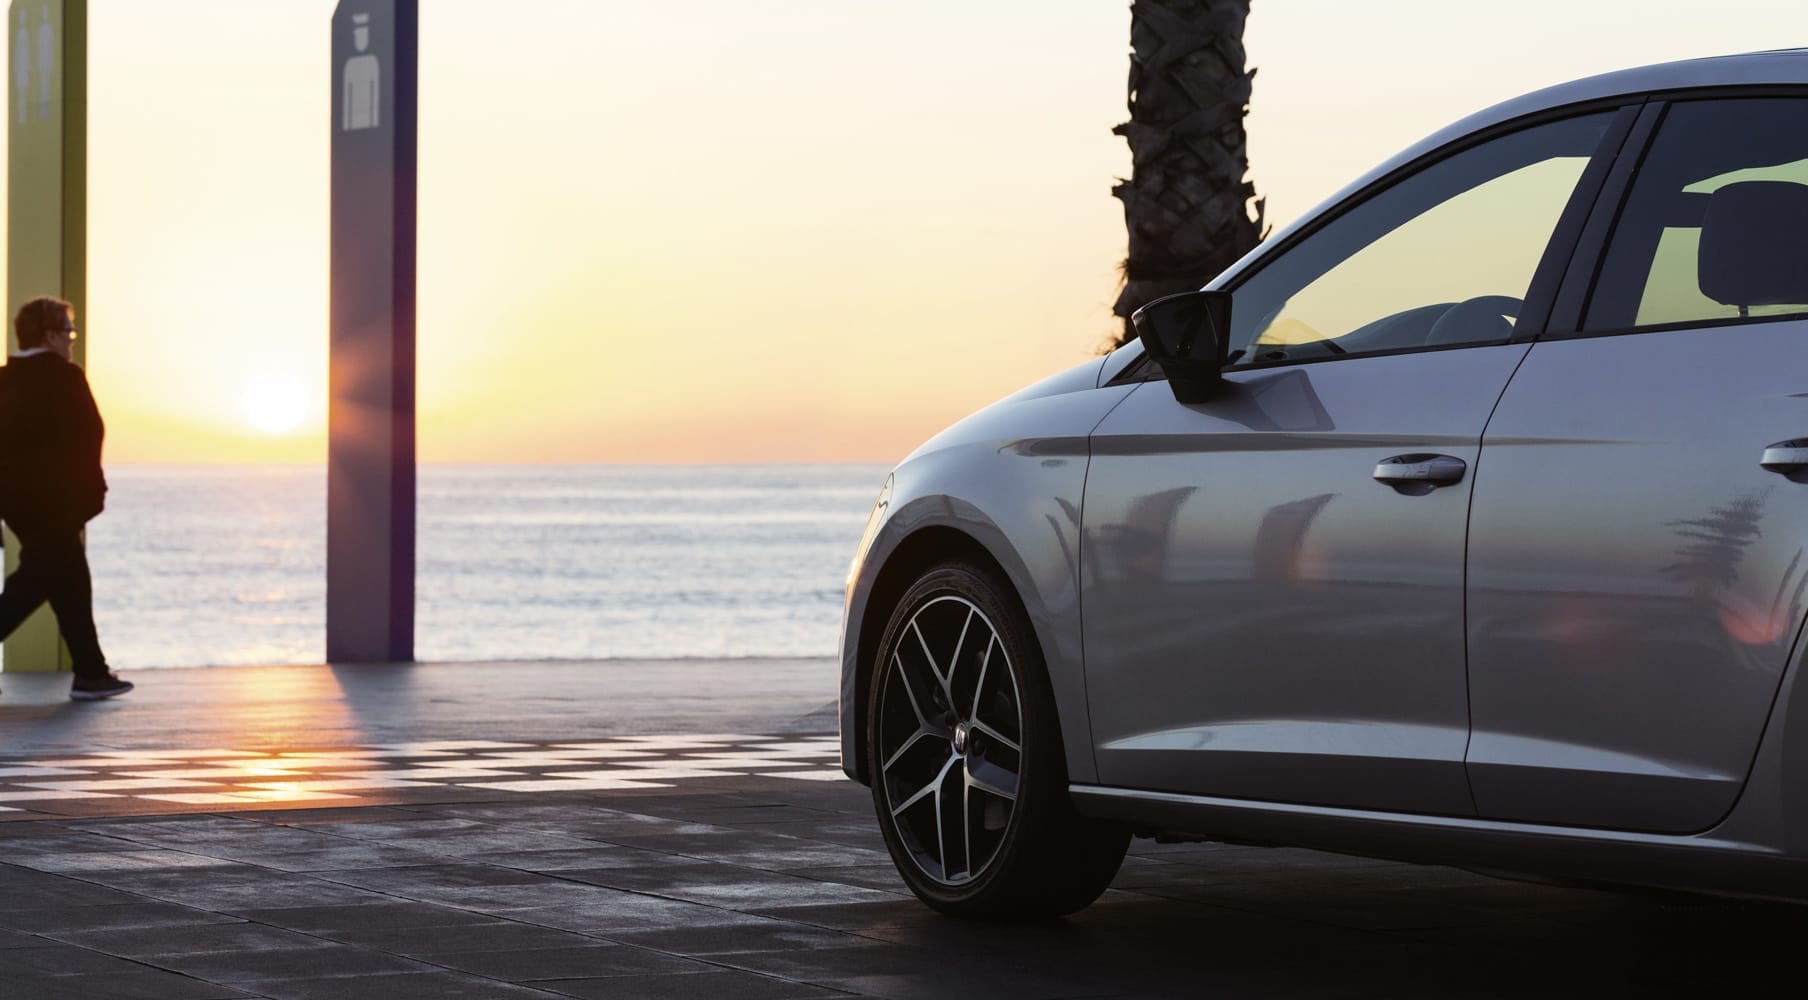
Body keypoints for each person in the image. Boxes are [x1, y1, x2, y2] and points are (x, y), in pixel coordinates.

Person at [0, 296, 129, 700]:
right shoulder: (65, 377)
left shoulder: (2, 379)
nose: (72, 340)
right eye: (69, 332)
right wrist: (93, 494)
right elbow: (89, 435)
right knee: (37, 580)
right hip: (58, 504)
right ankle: (91, 673)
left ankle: (90, 671)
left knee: (68, 577)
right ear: (51, 335)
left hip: (16, 505)